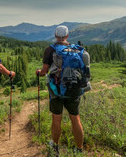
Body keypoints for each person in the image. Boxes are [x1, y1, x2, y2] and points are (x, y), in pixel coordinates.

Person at [36, 25, 90, 155]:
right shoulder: (78, 50)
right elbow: (86, 73)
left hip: (57, 91)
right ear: (67, 36)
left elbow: (44, 72)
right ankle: (79, 149)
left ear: (55, 35)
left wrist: (39, 72)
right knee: (76, 119)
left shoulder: (50, 50)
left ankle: (55, 148)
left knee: (56, 118)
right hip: (74, 90)